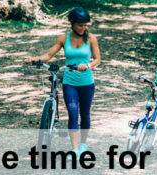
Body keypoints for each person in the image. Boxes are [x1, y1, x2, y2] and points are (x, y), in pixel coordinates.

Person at [24, 7, 101, 158]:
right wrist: (34, 59)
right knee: (73, 114)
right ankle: (75, 149)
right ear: (72, 24)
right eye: (80, 25)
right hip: (69, 82)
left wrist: (88, 65)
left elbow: (98, 59)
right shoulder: (63, 38)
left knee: (85, 114)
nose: (83, 28)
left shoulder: (91, 38)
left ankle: (83, 144)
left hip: (87, 82)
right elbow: (48, 55)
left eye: (86, 25)